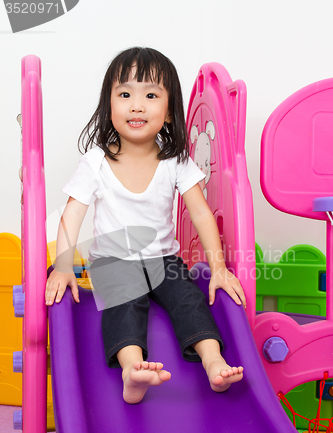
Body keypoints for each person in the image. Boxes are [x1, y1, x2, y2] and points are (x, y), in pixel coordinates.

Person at [45, 47, 245, 404]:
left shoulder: (176, 160)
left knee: (189, 300)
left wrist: (218, 268)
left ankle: (213, 361)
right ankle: (132, 371)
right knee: (124, 304)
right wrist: (62, 267)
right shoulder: (96, 162)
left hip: (163, 260)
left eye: (151, 95)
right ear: (110, 107)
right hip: (113, 261)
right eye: (125, 95)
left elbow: (200, 213)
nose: (136, 105)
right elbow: (72, 214)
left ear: (168, 113)